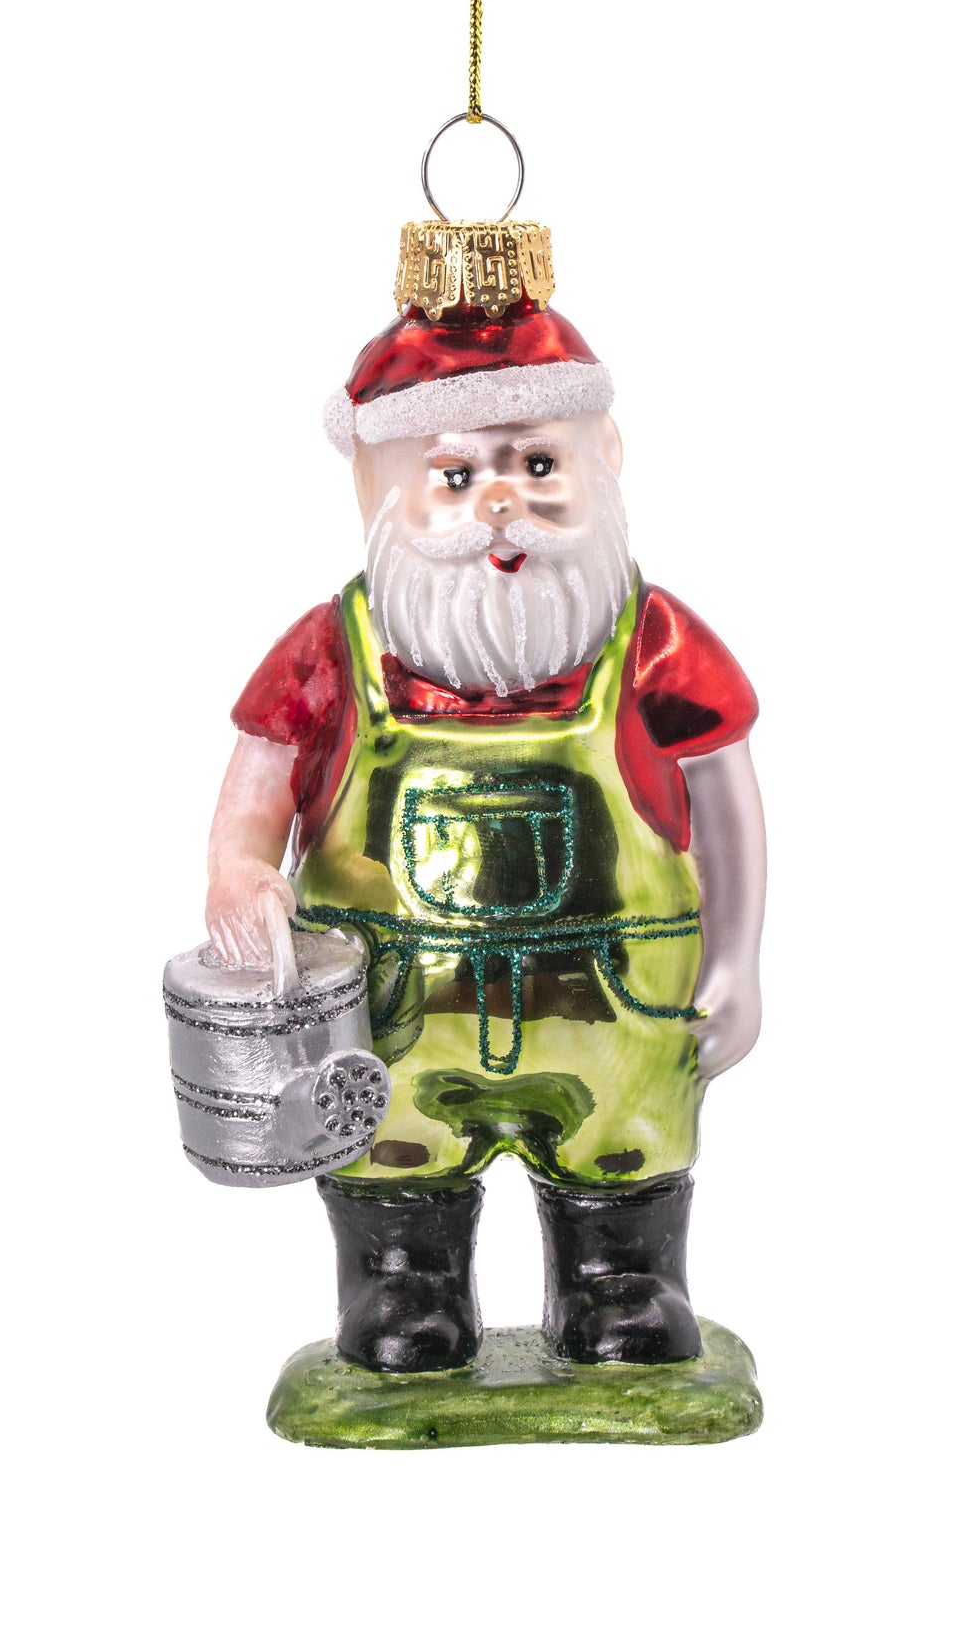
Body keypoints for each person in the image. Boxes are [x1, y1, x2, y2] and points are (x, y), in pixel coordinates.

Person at [203, 281, 766, 1373]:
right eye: (456, 475)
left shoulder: (649, 641)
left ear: (605, 456)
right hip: (395, 1019)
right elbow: (257, 791)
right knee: (394, 1158)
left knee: (622, 1151)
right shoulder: (333, 649)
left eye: (539, 464)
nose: (501, 502)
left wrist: (737, 962)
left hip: (619, 1014)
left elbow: (726, 792)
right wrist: (236, 870)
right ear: (381, 488)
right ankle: (402, 1283)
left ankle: (621, 1279)